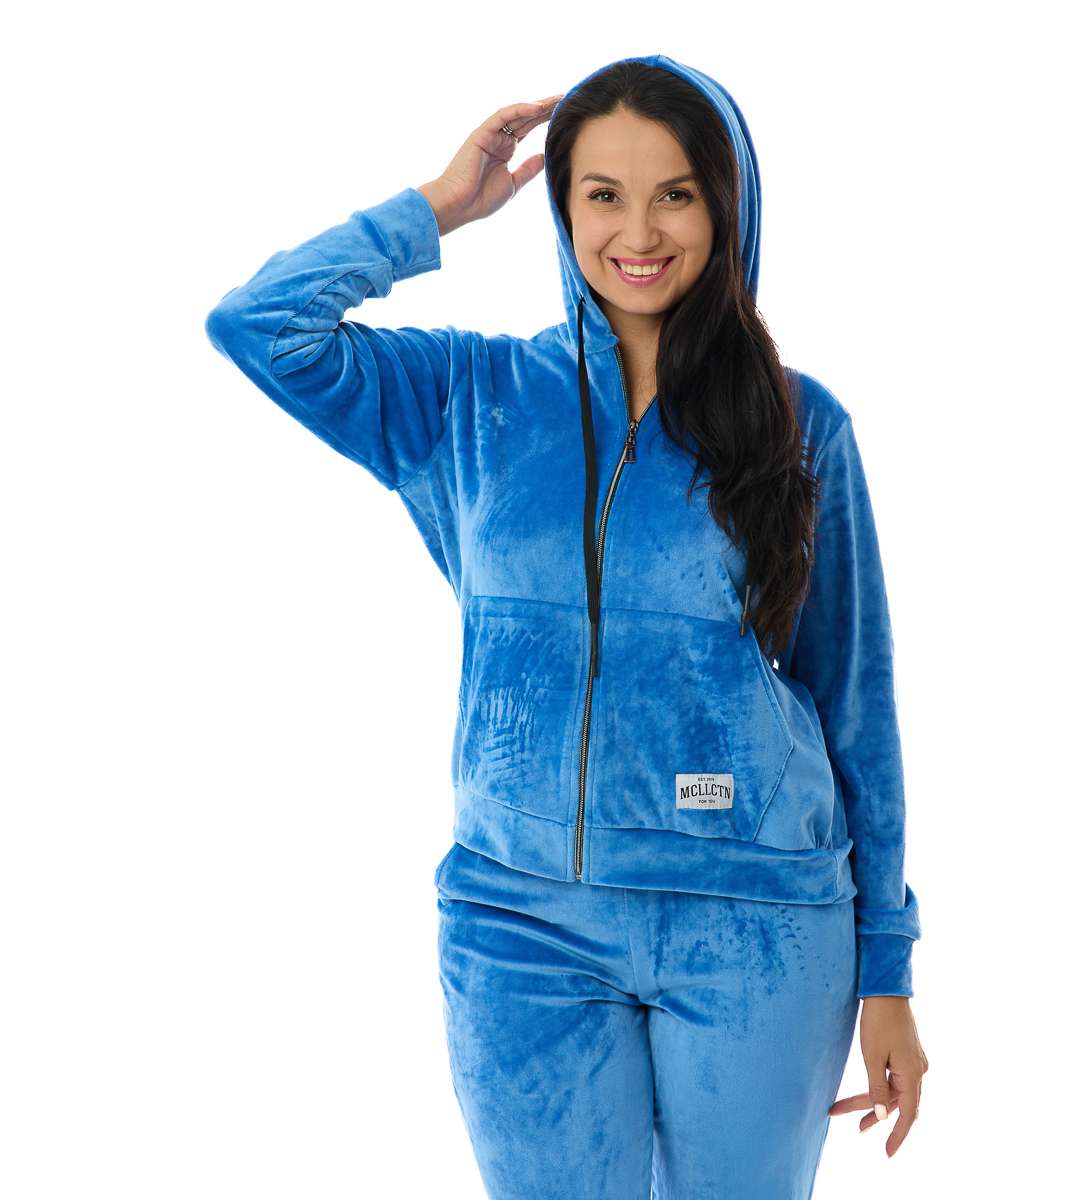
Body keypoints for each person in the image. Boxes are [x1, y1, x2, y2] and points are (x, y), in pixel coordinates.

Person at [206, 53, 927, 1200]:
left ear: (726, 205)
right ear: (562, 207)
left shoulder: (801, 425)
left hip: (757, 921)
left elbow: (855, 701)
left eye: (675, 193)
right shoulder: (468, 400)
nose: (639, 231)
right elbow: (257, 327)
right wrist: (439, 208)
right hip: (520, 925)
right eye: (603, 194)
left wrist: (889, 971)